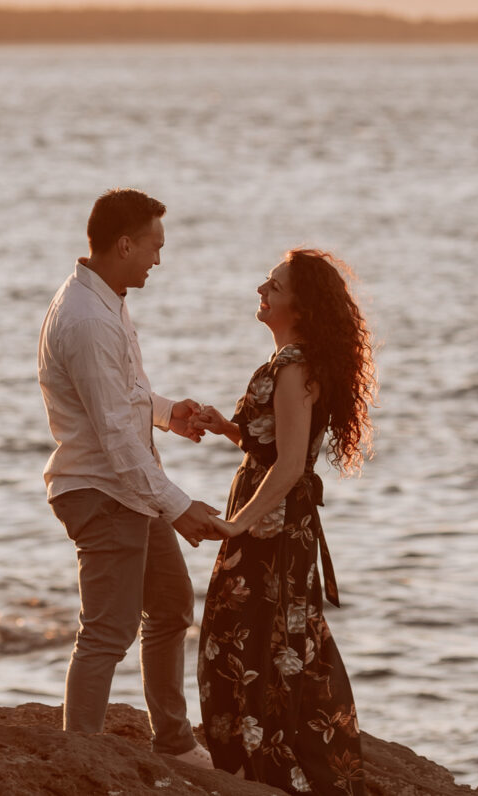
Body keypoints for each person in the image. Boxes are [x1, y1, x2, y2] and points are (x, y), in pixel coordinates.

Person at [37, 188, 223, 768]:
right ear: (125, 243)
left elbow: (124, 399)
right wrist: (180, 505)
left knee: (169, 607)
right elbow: (116, 439)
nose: (158, 260)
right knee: (107, 632)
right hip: (102, 492)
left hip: (128, 489)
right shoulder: (88, 319)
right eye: (153, 247)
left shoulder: (105, 298)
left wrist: (169, 414)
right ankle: (81, 760)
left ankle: (172, 740)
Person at [191, 249, 378, 795]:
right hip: (274, 518)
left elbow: (292, 464)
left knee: (245, 639)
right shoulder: (293, 362)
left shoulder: (295, 366)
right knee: (274, 636)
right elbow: (275, 445)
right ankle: (272, 761)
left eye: (273, 284)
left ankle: (272, 768)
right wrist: (229, 427)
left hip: (271, 522)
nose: (261, 290)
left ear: (299, 304)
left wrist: (236, 525)